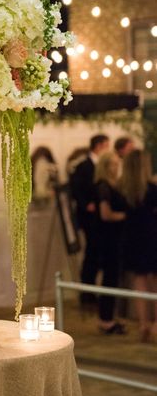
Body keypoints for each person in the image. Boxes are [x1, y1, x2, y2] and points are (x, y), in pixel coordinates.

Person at [120, 149, 157, 342]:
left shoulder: (123, 189)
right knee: (155, 282)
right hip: (152, 236)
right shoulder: (152, 189)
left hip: (132, 238)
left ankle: (143, 323)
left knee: (139, 281)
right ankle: (155, 324)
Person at [69, 134, 110, 301]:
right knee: (91, 252)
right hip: (89, 217)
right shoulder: (84, 166)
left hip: (100, 218)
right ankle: (87, 293)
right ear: (99, 146)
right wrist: (87, 204)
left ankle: (92, 290)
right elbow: (75, 189)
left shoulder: (102, 165)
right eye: (107, 145)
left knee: (97, 251)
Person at [94, 151, 127, 334]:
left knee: (113, 277)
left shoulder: (113, 184)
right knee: (109, 277)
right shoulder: (103, 186)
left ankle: (110, 317)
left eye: (117, 164)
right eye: (113, 164)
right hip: (108, 239)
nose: (117, 167)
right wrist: (126, 216)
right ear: (105, 166)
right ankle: (105, 320)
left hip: (115, 238)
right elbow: (106, 214)